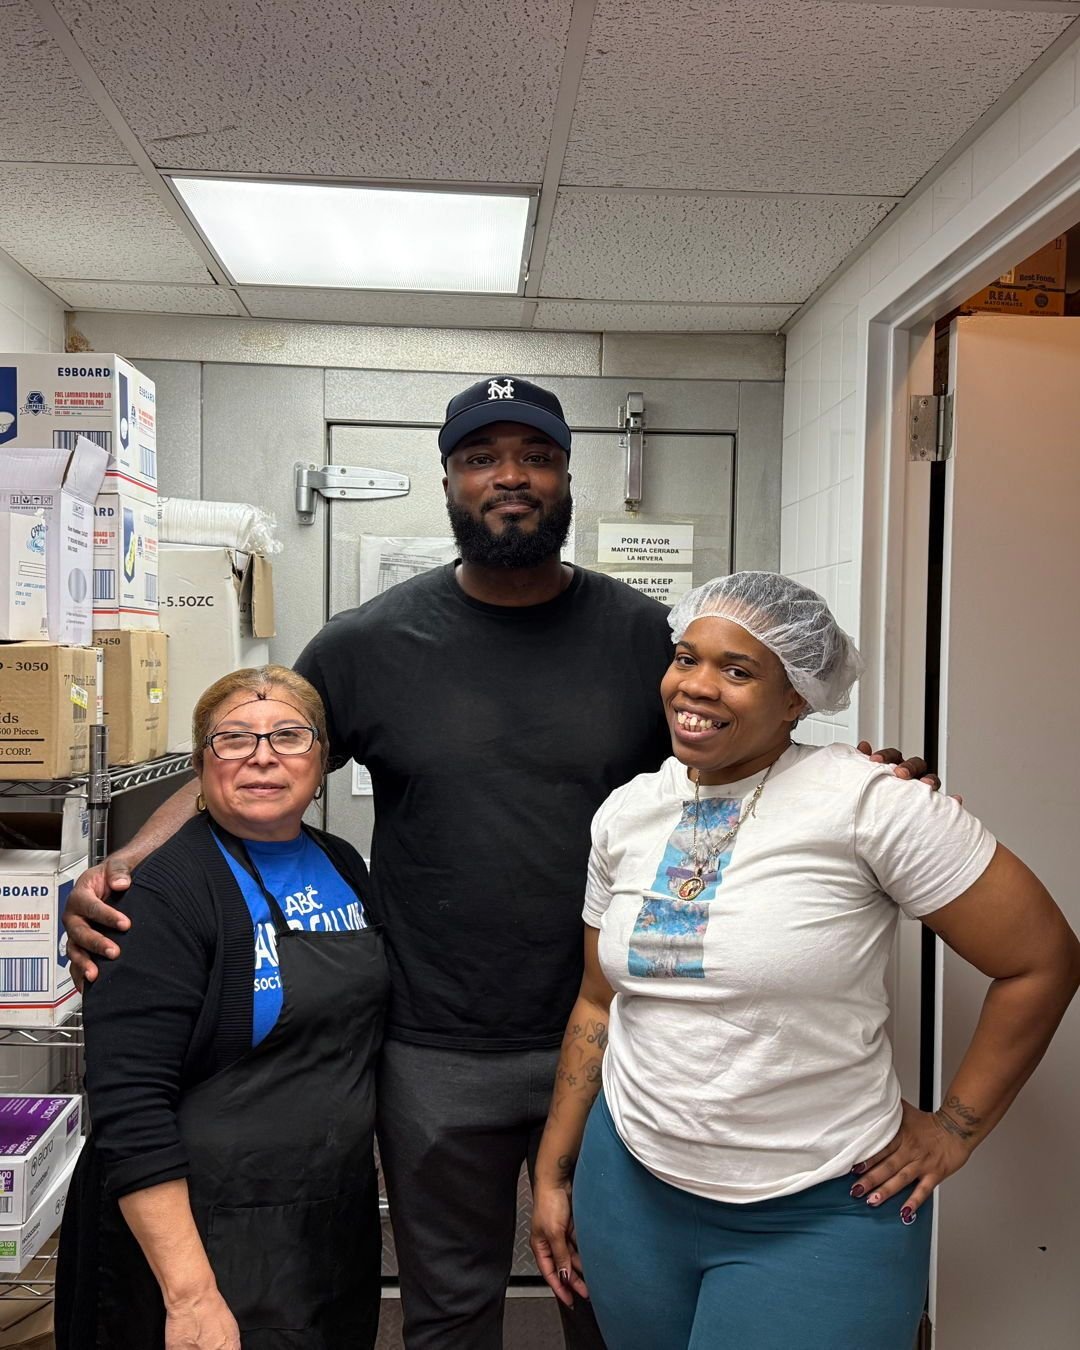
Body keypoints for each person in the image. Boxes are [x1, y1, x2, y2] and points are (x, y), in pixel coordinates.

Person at [61, 378, 935, 1350]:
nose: (510, 476)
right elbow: (247, 762)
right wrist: (129, 858)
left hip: (620, 1041)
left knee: (610, 1302)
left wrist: (856, 772)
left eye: (537, 455)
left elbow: (740, 748)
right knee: (448, 1312)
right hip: (433, 1049)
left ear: (568, 478)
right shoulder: (366, 644)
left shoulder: (645, 640)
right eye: (482, 457)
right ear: (448, 479)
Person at [529, 571, 1080, 1350]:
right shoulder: (629, 811)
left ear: (798, 698)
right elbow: (598, 1000)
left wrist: (956, 1128)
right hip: (631, 1190)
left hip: (818, 1205)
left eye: (739, 670)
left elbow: (1041, 960)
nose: (699, 686)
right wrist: (556, 1172)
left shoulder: (870, 803)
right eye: (687, 658)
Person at [55, 666, 388, 1350]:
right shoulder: (161, 895)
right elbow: (129, 1104)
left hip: (319, 1229)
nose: (263, 756)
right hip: (193, 1241)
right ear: (201, 764)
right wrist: (191, 1296)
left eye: (288, 736)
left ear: (321, 759)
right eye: (233, 739)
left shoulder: (344, 864)